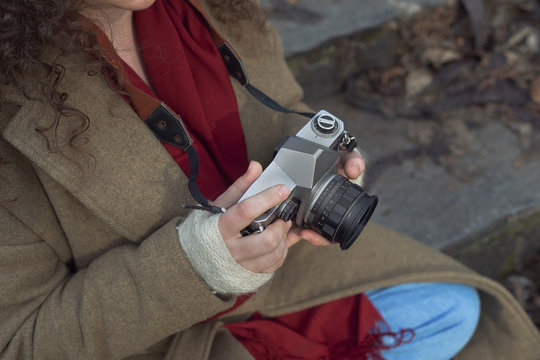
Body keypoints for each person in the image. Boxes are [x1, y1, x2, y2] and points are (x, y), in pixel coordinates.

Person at [0, 0, 538, 359]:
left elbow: (286, 107)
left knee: (459, 310)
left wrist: (322, 148)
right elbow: (21, 340)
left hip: (290, 273)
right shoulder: (12, 106)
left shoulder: (210, 8)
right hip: (166, 333)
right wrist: (199, 262)